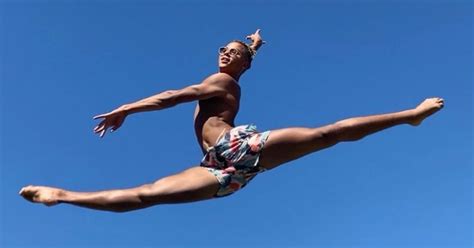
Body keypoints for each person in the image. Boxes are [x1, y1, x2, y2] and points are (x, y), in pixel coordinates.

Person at [19, 29, 444, 212]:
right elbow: (240, 58)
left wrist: (126, 108)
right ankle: (63, 195)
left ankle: (411, 115)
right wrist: (253, 43)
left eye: (233, 52)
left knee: (325, 134)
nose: (224, 54)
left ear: (242, 64)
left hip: (240, 148)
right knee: (146, 195)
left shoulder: (220, 81)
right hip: (221, 171)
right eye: (222, 49)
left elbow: (171, 97)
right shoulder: (229, 74)